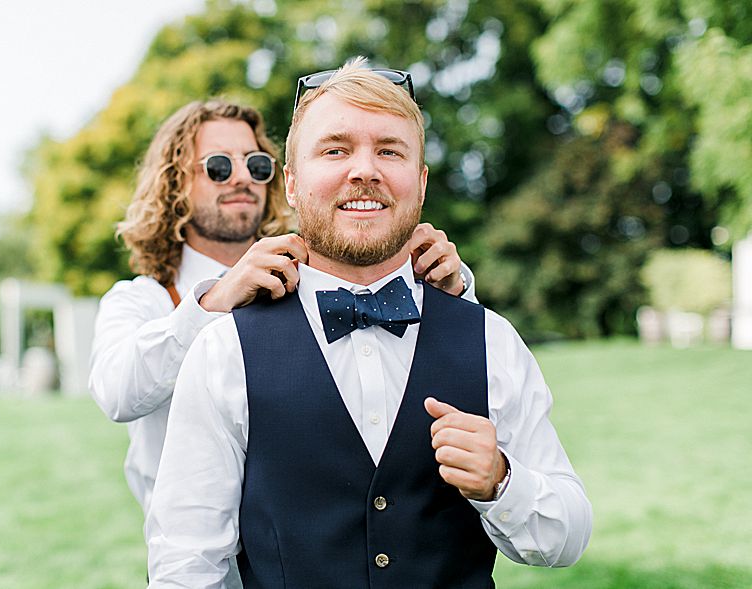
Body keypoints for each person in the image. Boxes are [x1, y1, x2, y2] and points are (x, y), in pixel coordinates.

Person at [144, 58, 593, 588]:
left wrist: (502, 482)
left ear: (420, 182)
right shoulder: (224, 351)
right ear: (290, 182)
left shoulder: (491, 340)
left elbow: (568, 536)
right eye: (335, 150)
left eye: (389, 150)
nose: (364, 170)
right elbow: (185, 564)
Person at [89, 96, 477, 584]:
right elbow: (116, 391)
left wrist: (450, 290)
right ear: (173, 184)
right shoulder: (140, 301)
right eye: (217, 165)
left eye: (256, 164)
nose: (242, 177)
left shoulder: (305, 276)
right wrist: (215, 302)